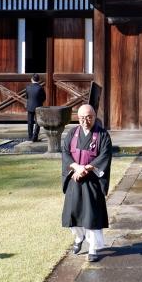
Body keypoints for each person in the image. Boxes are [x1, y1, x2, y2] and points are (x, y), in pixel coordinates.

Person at [61, 104, 113, 262]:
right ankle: (79, 238)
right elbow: (65, 152)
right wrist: (76, 167)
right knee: (73, 214)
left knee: (92, 217)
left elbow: (104, 156)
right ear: (78, 118)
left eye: (89, 117)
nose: (86, 121)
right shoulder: (72, 133)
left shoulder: (102, 135)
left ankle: (93, 248)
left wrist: (86, 169)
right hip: (75, 179)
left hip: (92, 181)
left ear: (95, 116)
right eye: (82, 118)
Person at [25, 74, 47, 141]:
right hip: (38, 107)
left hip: (30, 106)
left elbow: (27, 97)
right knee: (38, 123)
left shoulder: (28, 87)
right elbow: (44, 97)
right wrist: (39, 102)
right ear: (39, 80)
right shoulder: (40, 88)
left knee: (30, 122)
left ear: (32, 79)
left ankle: (30, 137)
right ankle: (35, 137)